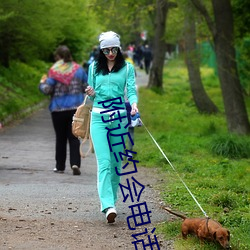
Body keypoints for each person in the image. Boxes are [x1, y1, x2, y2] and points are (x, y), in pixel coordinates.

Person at [85, 31, 138, 223]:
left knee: (116, 164)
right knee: (105, 162)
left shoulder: (127, 68)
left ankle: (112, 202)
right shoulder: (93, 68)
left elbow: (131, 90)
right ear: (101, 50)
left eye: (113, 49)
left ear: (119, 48)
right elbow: (91, 97)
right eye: (106, 50)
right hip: (98, 118)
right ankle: (107, 205)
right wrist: (90, 92)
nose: (110, 53)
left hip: (119, 119)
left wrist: (133, 104)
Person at [39, 45, 88, 175]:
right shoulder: (79, 70)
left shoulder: (54, 71)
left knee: (60, 138)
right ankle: (75, 163)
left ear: (58, 57)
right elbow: (86, 87)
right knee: (74, 137)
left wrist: (42, 83)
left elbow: (47, 90)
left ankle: (60, 166)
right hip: (75, 109)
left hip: (58, 109)